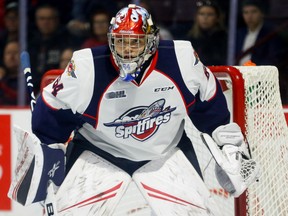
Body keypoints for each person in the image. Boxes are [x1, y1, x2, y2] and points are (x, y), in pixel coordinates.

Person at [8, 4, 259, 209]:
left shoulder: (181, 60)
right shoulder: (87, 67)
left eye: (135, 42)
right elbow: (51, 107)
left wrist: (228, 142)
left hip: (166, 153)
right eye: (119, 42)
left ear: (151, 42)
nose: (126, 50)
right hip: (99, 153)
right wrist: (49, 147)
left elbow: (210, 102)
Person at [28, 4, 81, 96]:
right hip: (31, 91)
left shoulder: (67, 41)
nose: (46, 22)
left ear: (57, 20)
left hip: (60, 89)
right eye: (42, 19)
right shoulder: (30, 42)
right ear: (36, 20)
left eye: (49, 18)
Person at [235, 0, 283, 66]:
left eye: (254, 12)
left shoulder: (270, 34)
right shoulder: (239, 34)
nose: (249, 16)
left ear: (262, 13)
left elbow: (273, 60)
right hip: (236, 73)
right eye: (246, 12)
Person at [185, 0, 227, 65]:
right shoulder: (189, 39)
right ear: (196, 17)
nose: (205, 17)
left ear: (217, 17)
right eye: (201, 14)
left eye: (210, 14)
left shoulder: (225, 38)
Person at [0, 40, 21, 105]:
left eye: (15, 52)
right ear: (4, 58)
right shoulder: (2, 78)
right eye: (8, 53)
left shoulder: (28, 79)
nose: (12, 57)